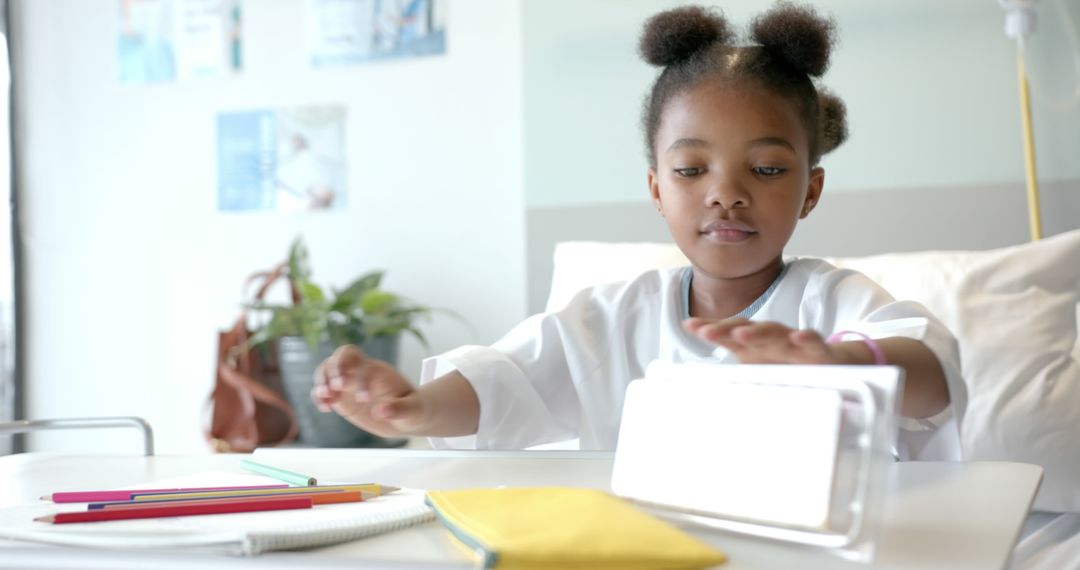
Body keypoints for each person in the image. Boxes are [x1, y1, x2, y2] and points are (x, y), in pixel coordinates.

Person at [312, 2, 966, 460]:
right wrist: (413, 407)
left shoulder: (836, 305)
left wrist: (842, 361)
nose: (726, 193)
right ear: (657, 188)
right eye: (690, 168)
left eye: (766, 168)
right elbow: (502, 383)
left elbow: (929, 373)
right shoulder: (608, 319)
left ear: (810, 191)